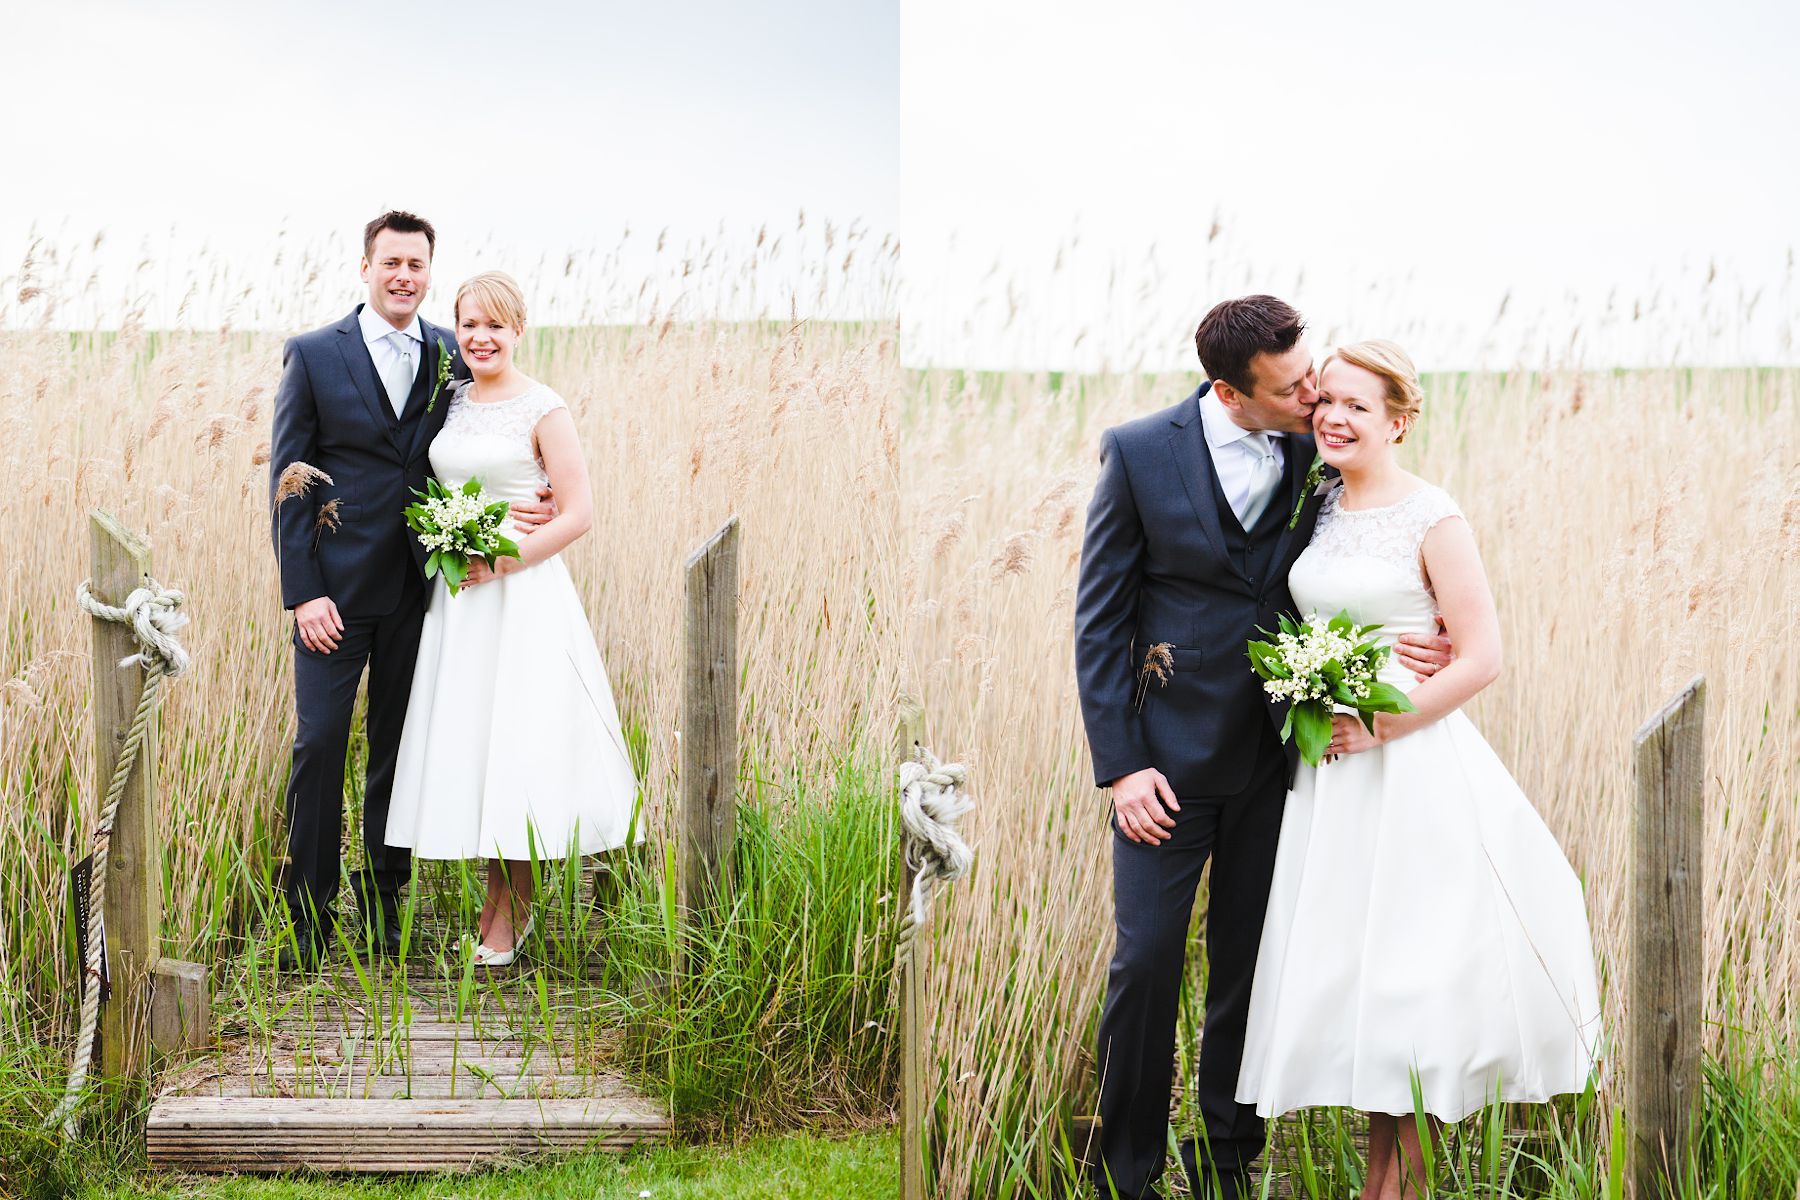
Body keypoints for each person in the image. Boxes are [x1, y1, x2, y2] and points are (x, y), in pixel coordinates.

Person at [1073, 296, 1451, 1200]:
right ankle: (1127, 1175)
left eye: (1311, 372)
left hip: (1283, 762)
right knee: (1146, 964)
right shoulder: (1138, 453)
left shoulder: (1311, 455)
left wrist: (1419, 634)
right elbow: (1099, 622)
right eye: (1292, 388)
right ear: (1229, 391)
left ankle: (1228, 1170)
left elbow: (1367, 555)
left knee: (1248, 970)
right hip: (1162, 770)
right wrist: (1122, 766)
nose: (1315, 395)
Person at [1234, 340, 1601, 1199]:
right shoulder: (1313, 504)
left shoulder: (1433, 516)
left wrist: (1386, 722)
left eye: (1360, 406)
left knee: (1410, 974)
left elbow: (1481, 658)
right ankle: (1383, 1186)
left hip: (1408, 772)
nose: (1334, 417)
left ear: (1399, 422)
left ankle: (1393, 1189)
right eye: (1327, 400)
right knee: (1361, 974)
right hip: (1332, 775)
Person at [268, 211, 551, 970]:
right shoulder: (313, 355)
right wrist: (303, 593)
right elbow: (289, 481)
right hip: (333, 595)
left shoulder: (450, 354)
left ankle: (386, 918)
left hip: (421, 591)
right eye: (391, 262)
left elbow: (494, 436)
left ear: (429, 272)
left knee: (395, 753)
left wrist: (539, 498)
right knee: (320, 744)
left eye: (417, 266)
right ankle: (308, 924)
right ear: (365, 267)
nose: (404, 276)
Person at [384, 271, 641, 967]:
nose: (480, 337)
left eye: (495, 325)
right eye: (469, 324)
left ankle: (511, 910)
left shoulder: (545, 408)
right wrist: (456, 535)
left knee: (518, 743)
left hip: (519, 596)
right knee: (478, 744)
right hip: (460, 605)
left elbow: (580, 513)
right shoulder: (455, 400)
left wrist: (500, 558)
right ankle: (495, 904)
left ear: (519, 329)